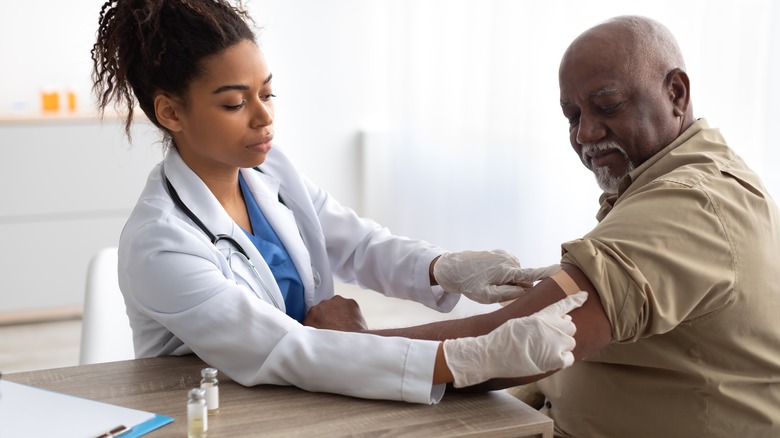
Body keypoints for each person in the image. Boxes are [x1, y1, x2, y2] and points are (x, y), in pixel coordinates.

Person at [91, 0, 588, 405]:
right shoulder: (160, 242)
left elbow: (356, 244)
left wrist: (445, 268)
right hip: (222, 412)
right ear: (170, 111)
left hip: (308, 393)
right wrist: (465, 357)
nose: (264, 118)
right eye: (235, 103)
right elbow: (284, 349)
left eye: (268, 93)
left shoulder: (268, 170)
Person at [307, 15, 780, 436]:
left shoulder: (691, 202)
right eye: (573, 116)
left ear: (675, 93)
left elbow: (507, 343)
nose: (586, 134)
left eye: (607, 106)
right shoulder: (671, 178)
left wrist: (345, 347)